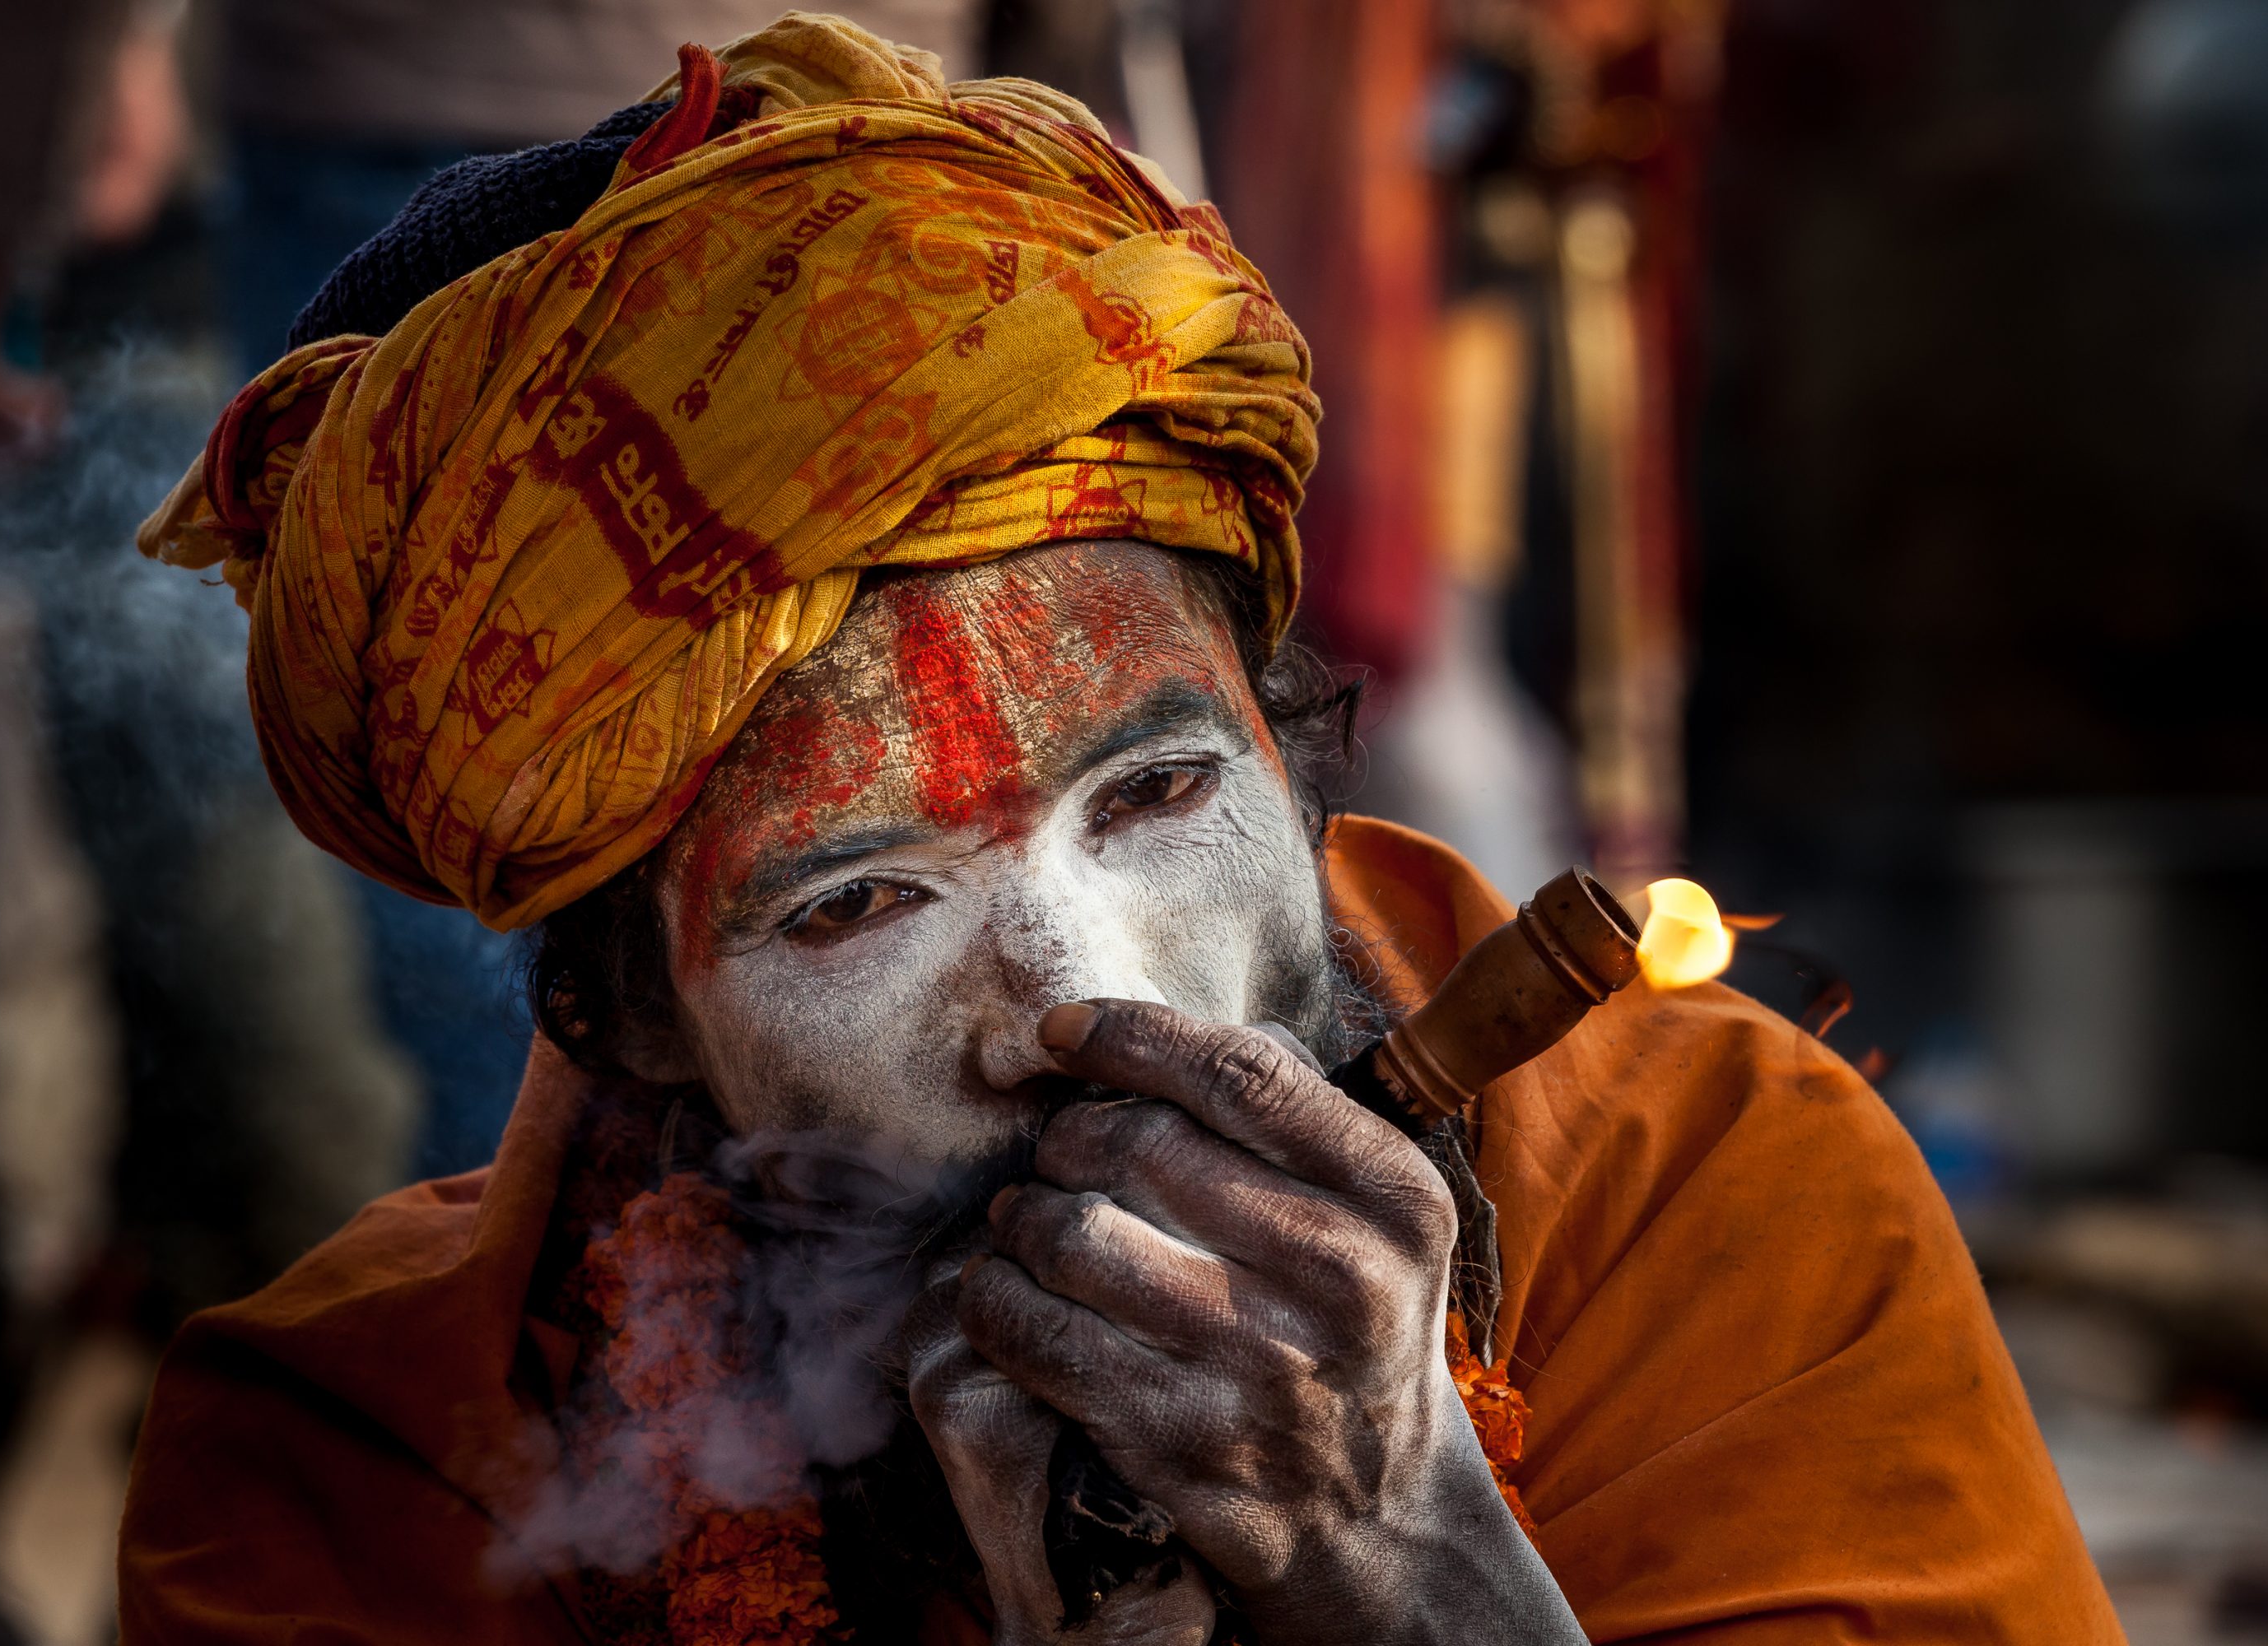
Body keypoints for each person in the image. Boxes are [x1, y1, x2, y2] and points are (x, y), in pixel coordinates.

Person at [114, 16, 2126, 1644]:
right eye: (864, 897)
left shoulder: (1722, 1208)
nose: (1083, 1002)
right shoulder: (363, 1463)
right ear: (627, 1018)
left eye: (1159, 792)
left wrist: (1410, 1566)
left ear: (1295, 741)